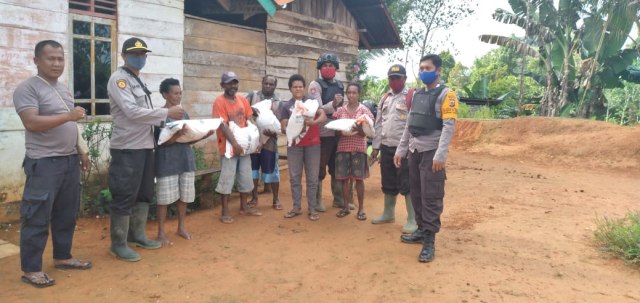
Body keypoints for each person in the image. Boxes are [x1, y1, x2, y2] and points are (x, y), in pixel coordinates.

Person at [13, 40, 92, 288]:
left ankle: (63, 256)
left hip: (68, 160)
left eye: (60, 58)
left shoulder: (64, 89)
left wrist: (82, 151)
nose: (57, 63)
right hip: (44, 163)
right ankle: (32, 269)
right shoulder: (27, 89)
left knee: (66, 214)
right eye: (51, 58)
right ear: (37, 60)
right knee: (37, 216)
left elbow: (72, 125)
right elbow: (32, 123)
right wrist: (69, 115)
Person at [108, 37, 185, 262]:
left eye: (142, 54)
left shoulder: (137, 80)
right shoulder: (119, 80)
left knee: (143, 194)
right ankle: (118, 243)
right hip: (127, 147)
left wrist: (170, 125)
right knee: (124, 194)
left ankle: (137, 235)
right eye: (134, 54)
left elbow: (145, 116)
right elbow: (132, 112)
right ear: (123, 56)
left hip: (144, 145)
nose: (139, 58)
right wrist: (166, 114)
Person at [394, 54, 459, 263]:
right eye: (421, 67)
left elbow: (449, 126)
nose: (423, 71)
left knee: (431, 195)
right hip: (414, 150)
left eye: (428, 67)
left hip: (432, 152)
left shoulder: (447, 95)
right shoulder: (417, 94)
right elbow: (409, 124)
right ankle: (421, 230)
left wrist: (440, 155)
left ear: (438, 70)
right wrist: (400, 149)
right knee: (416, 193)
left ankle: (429, 242)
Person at [154, 78, 213, 246]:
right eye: (175, 93)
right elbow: (160, 142)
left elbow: (187, 140)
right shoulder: (160, 115)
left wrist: (202, 136)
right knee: (163, 199)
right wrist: (176, 136)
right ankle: (160, 233)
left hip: (185, 159)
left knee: (184, 196)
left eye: (180, 93)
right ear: (165, 94)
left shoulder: (183, 114)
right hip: (166, 162)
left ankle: (181, 227)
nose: (178, 96)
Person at [369, 64, 418, 234]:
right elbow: (378, 123)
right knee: (388, 181)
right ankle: (388, 213)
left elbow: (414, 124)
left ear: (404, 79)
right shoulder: (385, 98)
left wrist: (409, 148)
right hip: (386, 146)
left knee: (407, 182)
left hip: (403, 149)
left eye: (397, 78)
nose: (394, 81)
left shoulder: (411, 96)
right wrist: (375, 147)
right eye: (391, 78)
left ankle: (412, 219)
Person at [212, 71, 262, 224]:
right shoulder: (219, 102)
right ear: (222, 85)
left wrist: (256, 140)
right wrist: (234, 144)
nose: (232, 85)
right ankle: (225, 212)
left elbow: (249, 119)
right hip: (228, 147)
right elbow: (223, 125)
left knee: (245, 176)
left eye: (234, 82)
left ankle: (243, 206)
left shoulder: (242, 100)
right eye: (229, 83)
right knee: (227, 178)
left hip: (244, 147)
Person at [307, 53, 353, 212]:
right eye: (325, 65)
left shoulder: (340, 85)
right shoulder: (315, 84)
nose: (328, 68)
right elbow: (317, 108)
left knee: (337, 165)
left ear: (336, 68)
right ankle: (317, 200)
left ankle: (339, 198)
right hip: (322, 131)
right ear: (320, 68)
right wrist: (332, 105)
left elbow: (344, 107)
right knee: (320, 166)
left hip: (337, 132)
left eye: (331, 65)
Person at [280, 74, 326, 221]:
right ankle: (296, 207)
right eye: (295, 87)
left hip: (313, 144)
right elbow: (284, 125)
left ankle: (312, 208)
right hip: (294, 145)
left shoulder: (311, 102)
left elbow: (323, 116)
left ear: (304, 88)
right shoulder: (286, 106)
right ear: (290, 89)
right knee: (294, 177)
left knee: (312, 178)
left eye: (300, 86)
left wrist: (313, 123)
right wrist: (290, 126)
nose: (298, 89)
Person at [332, 83, 374, 221]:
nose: (351, 95)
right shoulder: (340, 111)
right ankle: (346, 207)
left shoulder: (364, 111)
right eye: (349, 92)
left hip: (358, 149)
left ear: (359, 94)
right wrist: (342, 130)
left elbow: (367, 133)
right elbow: (336, 133)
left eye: (354, 92)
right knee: (344, 180)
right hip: (343, 148)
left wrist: (357, 128)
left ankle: (361, 209)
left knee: (359, 180)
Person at [246, 75, 282, 210]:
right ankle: (254, 197)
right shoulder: (252, 96)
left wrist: (273, 133)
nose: (268, 86)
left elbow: (280, 124)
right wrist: (251, 114)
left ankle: (275, 199)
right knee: (253, 170)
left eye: (271, 84)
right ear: (262, 83)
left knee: (273, 170)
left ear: (275, 85)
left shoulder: (278, 102)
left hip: (270, 142)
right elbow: (243, 111)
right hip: (253, 141)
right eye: (266, 83)